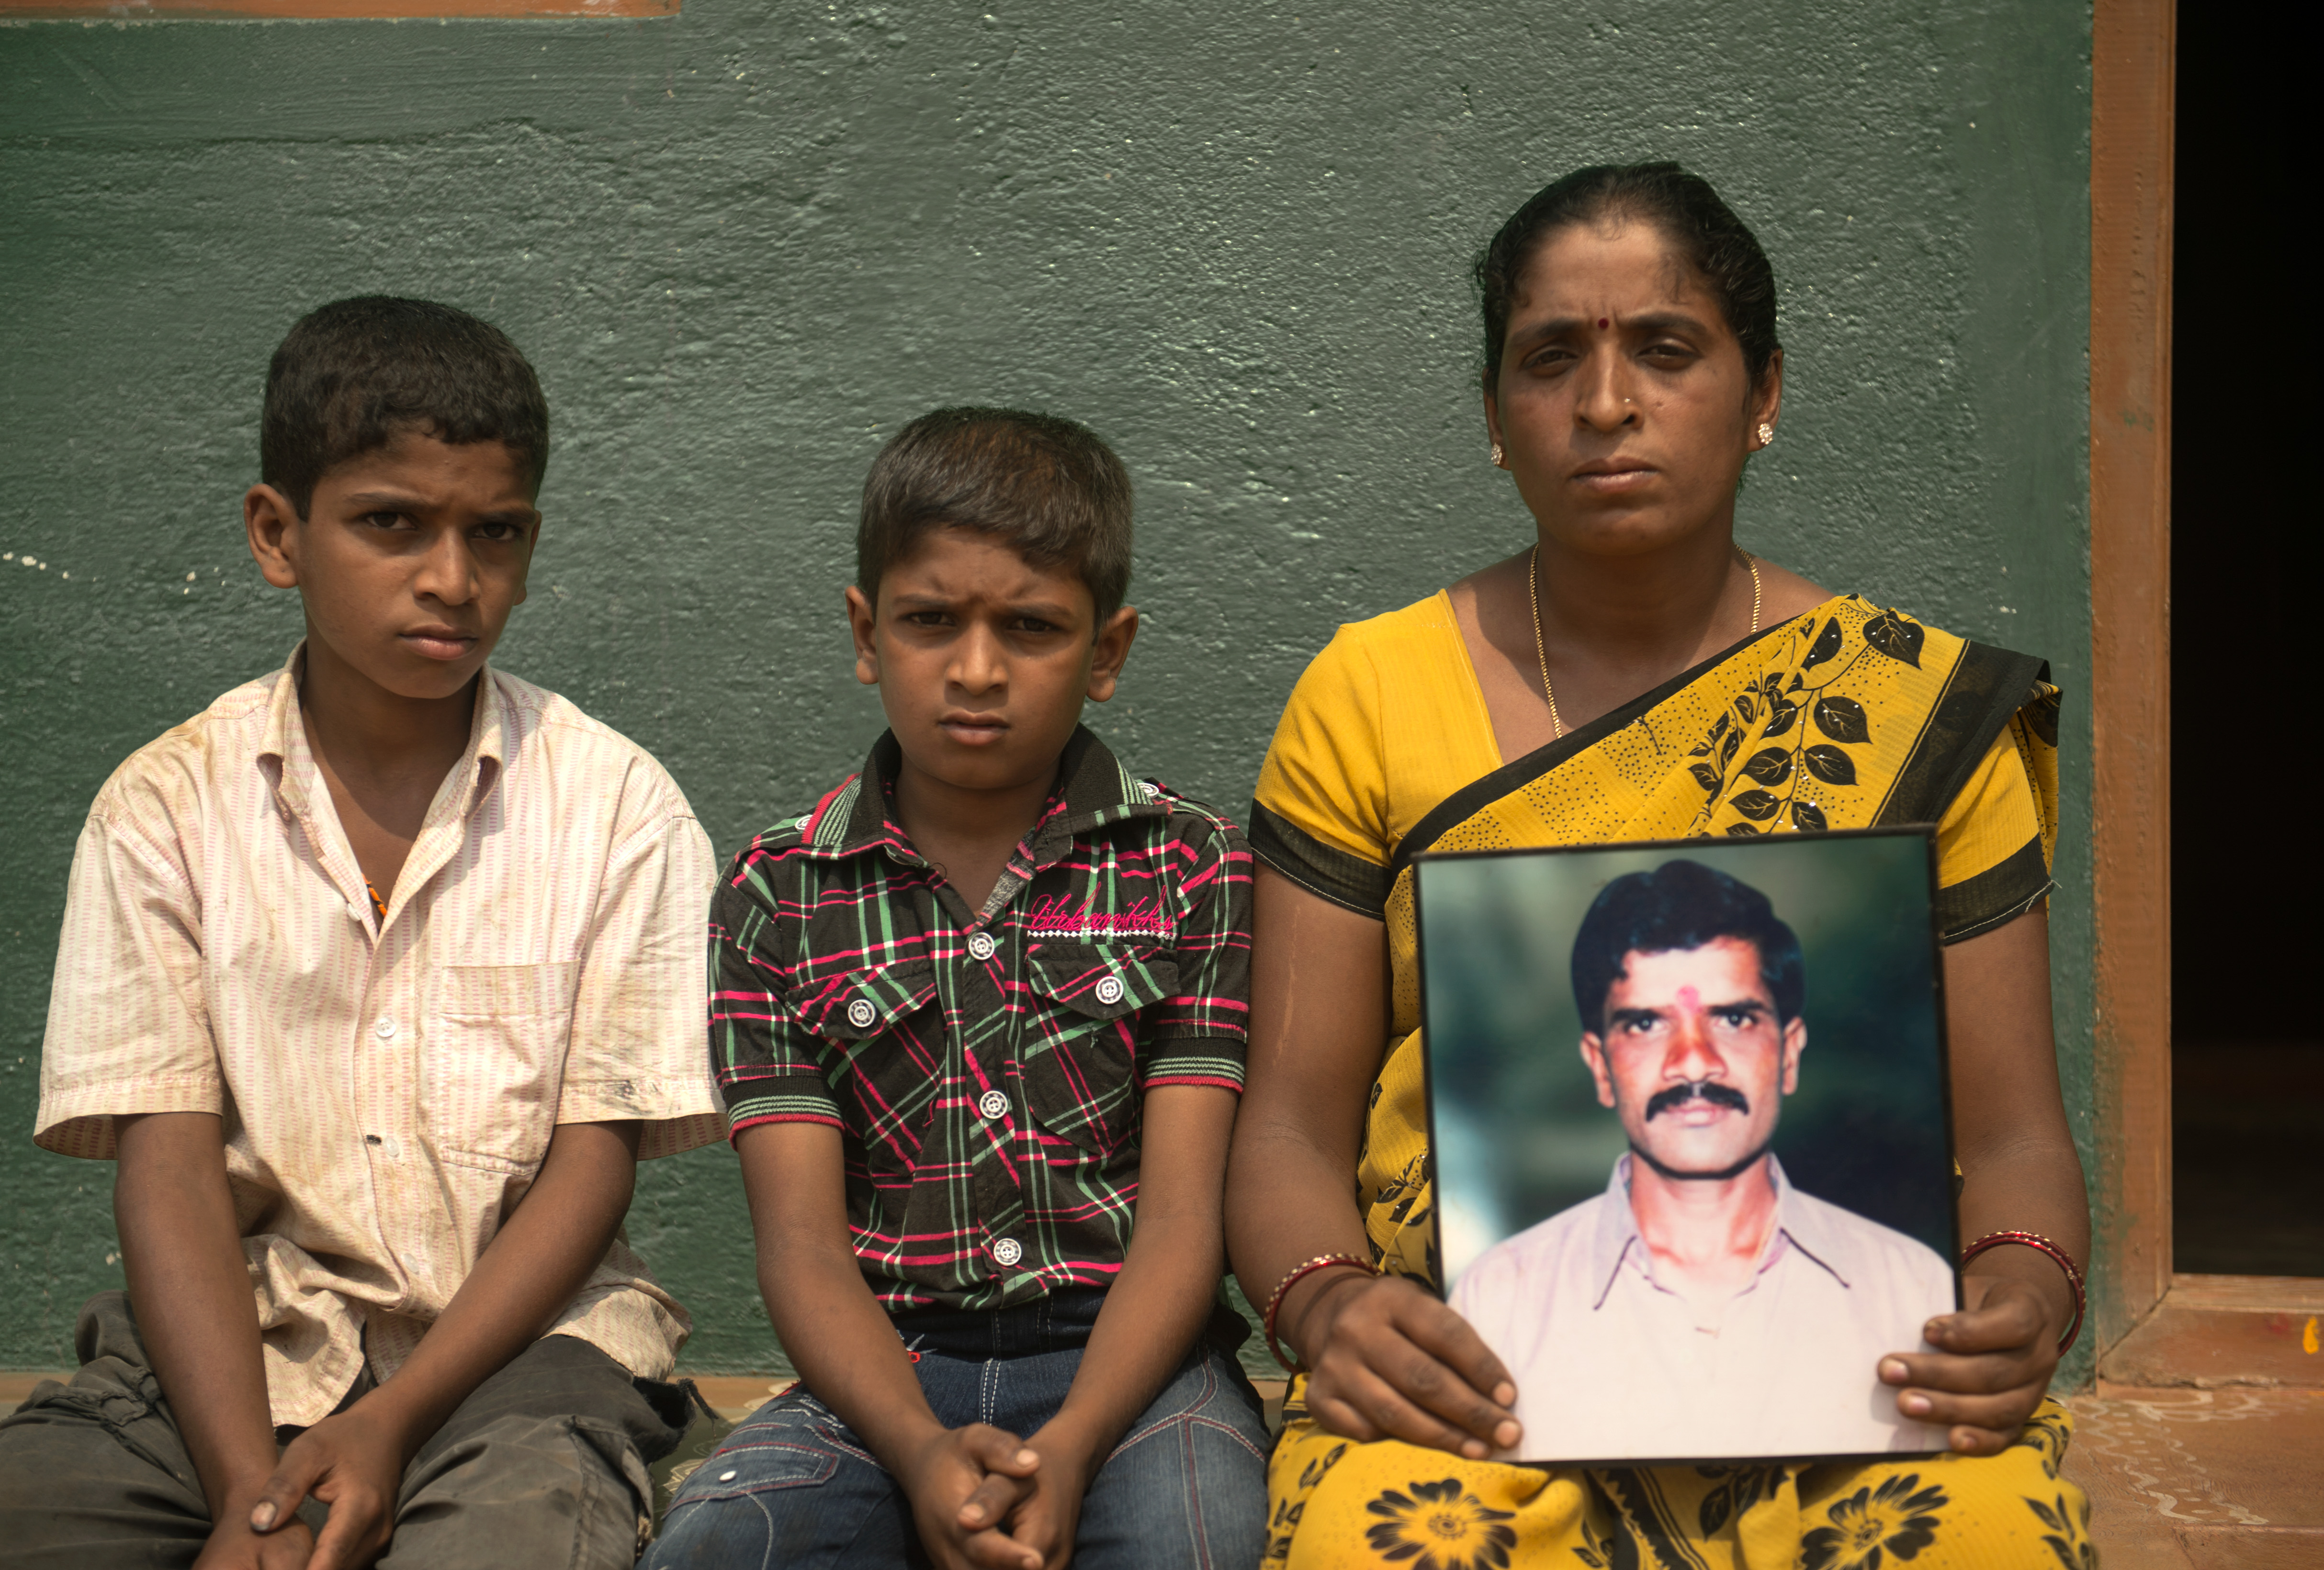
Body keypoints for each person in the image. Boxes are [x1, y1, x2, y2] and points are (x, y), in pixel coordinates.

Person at [1226, 165, 2094, 1568]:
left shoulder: (1918, 712)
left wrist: (2020, 1292)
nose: (1605, 403)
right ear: (1494, 417)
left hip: (1859, 1384)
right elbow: (1286, 1129)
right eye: (1549, 357)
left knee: (1987, 1534)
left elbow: (2010, 1143)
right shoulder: (1369, 692)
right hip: (1466, 1377)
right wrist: (1329, 1306)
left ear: (1762, 393)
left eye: (1666, 350)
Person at [0, 298, 725, 1570]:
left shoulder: (619, 809)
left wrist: (387, 1428)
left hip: (528, 1361)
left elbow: (592, 1162)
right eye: (393, 524)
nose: (452, 578)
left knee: (516, 1547)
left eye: (493, 535)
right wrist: (248, 1492)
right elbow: (165, 1167)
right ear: (278, 534)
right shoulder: (165, 806)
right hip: (232, 1355)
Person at [642, 408, 1269, 1570]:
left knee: (1206, 1538)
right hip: (881, 1369)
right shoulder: (780, 893)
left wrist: (1076, 1442)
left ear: (1109, 650)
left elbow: (1185, 1219)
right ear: (867, 630)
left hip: (1132, 1366)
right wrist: (919, 1447)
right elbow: (802, 1247)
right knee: (720, 1545)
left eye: (1031, 628)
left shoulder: (1193, 865)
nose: (977, 669)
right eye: (932, 622)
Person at [1446, 858, 1956, 1462]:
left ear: (1789, 1053)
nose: (1692, 1063)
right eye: (1644, 1025)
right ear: (1598, 1066)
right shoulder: (1498, 1297)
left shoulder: (1911, 1287)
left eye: (1734, 1019)